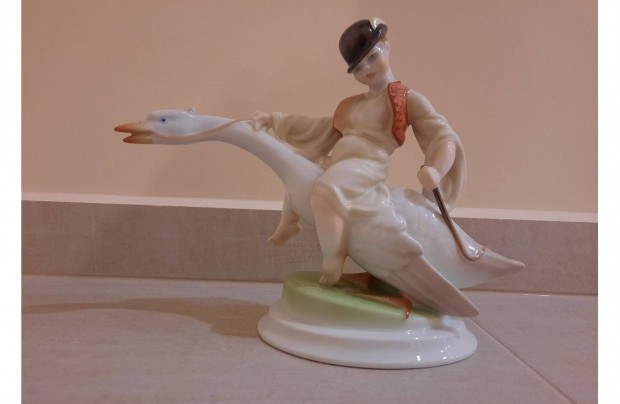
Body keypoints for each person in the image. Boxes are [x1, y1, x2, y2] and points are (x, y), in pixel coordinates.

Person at [251, 18, 466, 285]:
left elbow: (442, 136)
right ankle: (290, 221)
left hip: (367, 165)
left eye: (372, 57)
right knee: (299, 170)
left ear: (386, 47)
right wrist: (275, 119)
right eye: (359, 67)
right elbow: (319, 128)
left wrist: (436, 168)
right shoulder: (351, 105)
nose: (367, 69)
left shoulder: (405, 99)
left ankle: (333, 261)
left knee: (325, 191)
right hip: (338, 160)